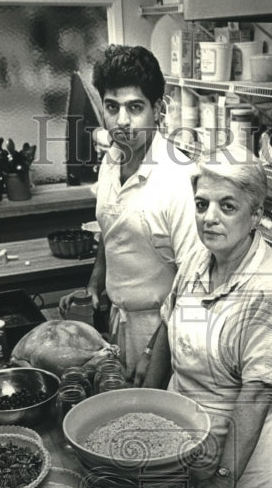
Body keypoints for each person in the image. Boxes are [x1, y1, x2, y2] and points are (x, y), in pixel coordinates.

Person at [142, 152, 272, 488]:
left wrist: (222, 479)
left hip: (241, 453)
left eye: (227, 206)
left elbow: (256, 395)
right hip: (183, 436)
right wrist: (145, 411)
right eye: (202, 205)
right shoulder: (195, 261)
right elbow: (168, 333)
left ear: (255, 216)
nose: (209, 218)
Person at [59, 44, 200, 381]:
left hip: (164, 330)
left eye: (135, 107)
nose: (121, 121)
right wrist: (95, 283)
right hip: (118, 322)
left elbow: (194, 284)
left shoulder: (180, 179)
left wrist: (153, 352)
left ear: (158, 109)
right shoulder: (111, 162)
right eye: (112, 107)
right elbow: (112, 229)